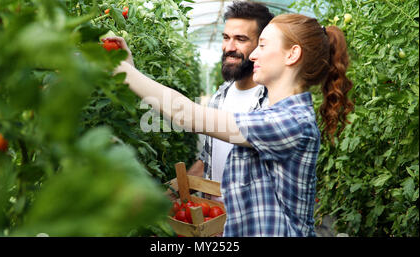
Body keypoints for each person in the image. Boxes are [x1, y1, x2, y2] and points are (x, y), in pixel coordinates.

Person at [111, 13, 353, 236]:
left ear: (292, 54)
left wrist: (126, 73)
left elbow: (185, 114)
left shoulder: (291, 122)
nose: (254, 55)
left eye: (263, 45)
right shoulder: (271, 113)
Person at [186, 2, 274, 204]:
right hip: (212, 222)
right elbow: (206, 159)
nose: (229, 47)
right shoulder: (220, 96)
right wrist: (174, 191)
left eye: (240, 39)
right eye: (226, 38)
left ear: (261, 46)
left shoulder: (271, 103)